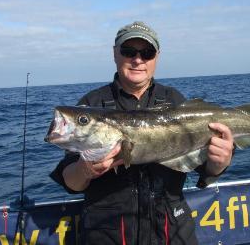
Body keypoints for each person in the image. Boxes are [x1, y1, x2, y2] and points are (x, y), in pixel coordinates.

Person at [50, 21, 234, 245]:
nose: (138, 60)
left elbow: (203, 168)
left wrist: (219, 163)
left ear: (157, 57)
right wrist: (85, 170)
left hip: (171, 232)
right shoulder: (91, 104)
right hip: (108, 235)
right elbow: (71, 182)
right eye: (129, 51)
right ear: (115, 54)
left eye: (147, 53)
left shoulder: (175, 101)